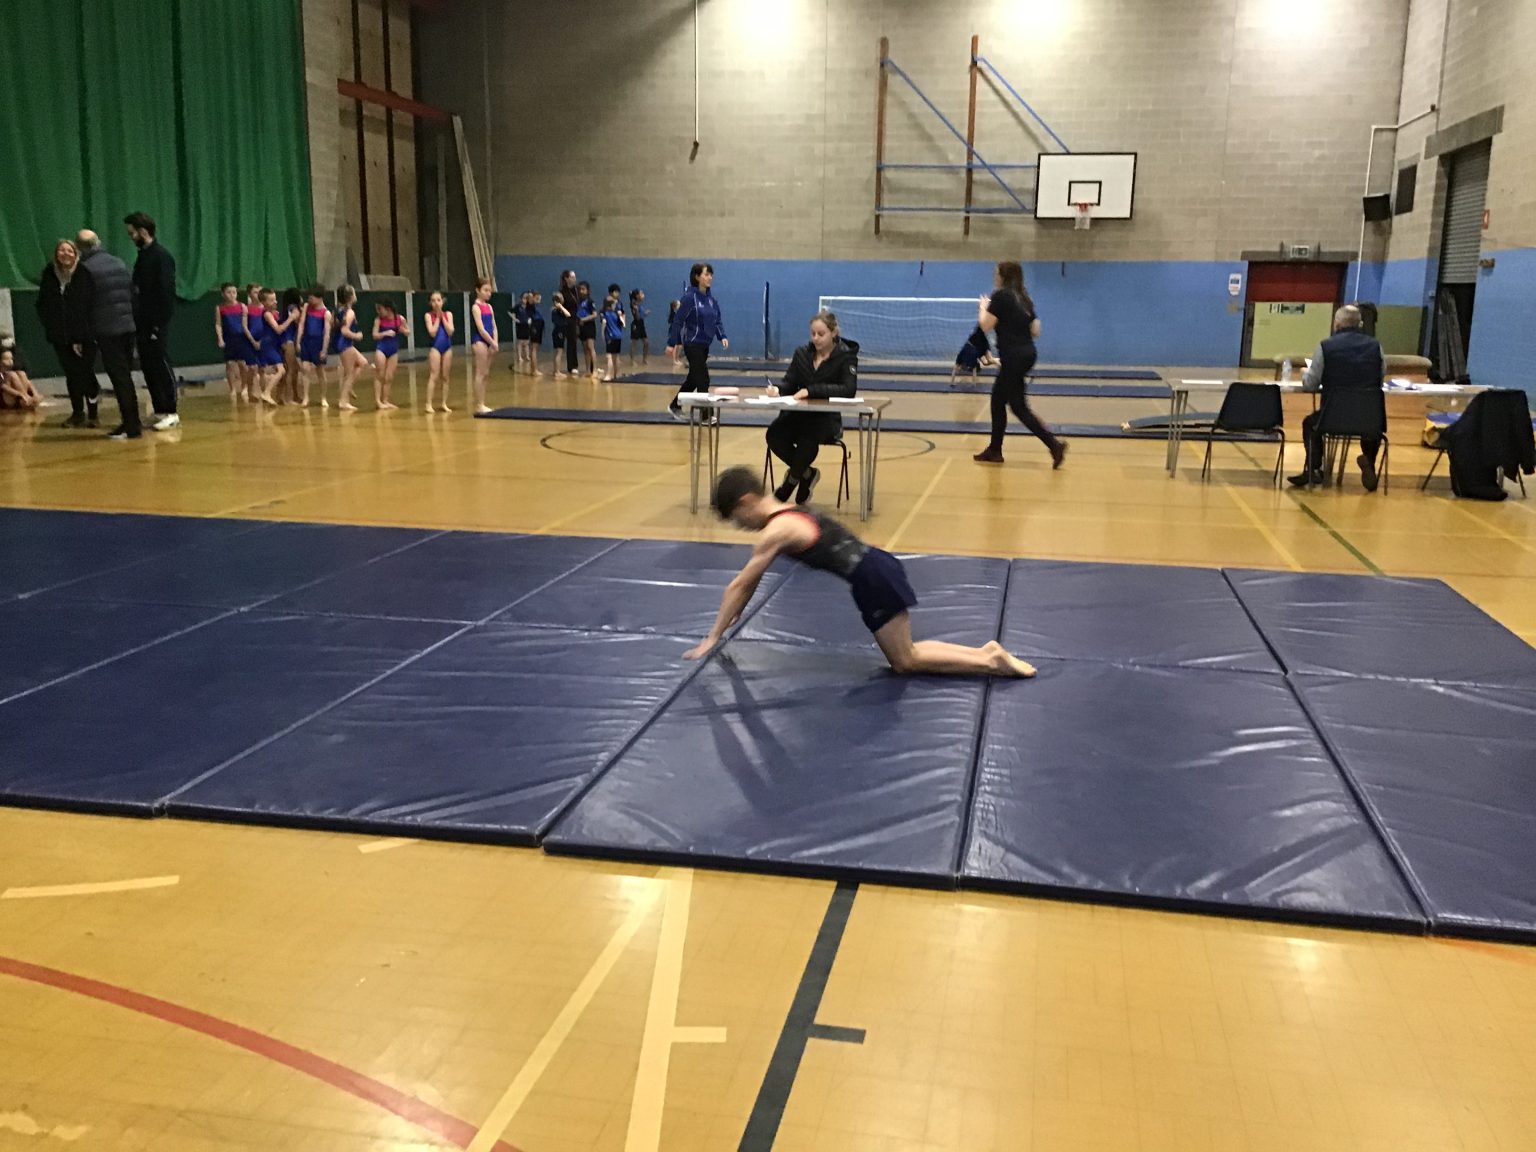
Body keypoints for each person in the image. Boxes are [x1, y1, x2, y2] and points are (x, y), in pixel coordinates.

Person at [690, 466, 1036, 677]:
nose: (741, 527)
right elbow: (749, 584)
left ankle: (991, 663)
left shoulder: (776, 531)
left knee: (906, 661)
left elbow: (740, 585)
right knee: (906, 654)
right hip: (875, 566)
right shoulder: (791, 509)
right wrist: (734, 613)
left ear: (746, 502)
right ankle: (985, 653)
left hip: (872, 578)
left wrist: (713, 636)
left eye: (737, 520)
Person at [972, 260, 1065, 469]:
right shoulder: (1024, 298)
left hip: (1013, 357)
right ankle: (995, 449)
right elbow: (1036, 330)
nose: (994, 277)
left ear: (1003, 276)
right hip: (1027, 354)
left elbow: (985, 325)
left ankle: (1054, 445)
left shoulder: (1001, 296)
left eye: (996, 274)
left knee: (1016, 407)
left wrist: (983, 308)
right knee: (1002, 401)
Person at [1289, 304, 1389, 491]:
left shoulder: (1325, 347)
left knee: (1310, 424)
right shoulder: (1376, 347)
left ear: (1337, 324)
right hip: (1369, 417)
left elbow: (1310, 385)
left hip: (1332, 417)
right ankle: (1369, 461)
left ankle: (1314, 469)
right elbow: (1380, 377)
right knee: (1370, 427)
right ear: (1359, 324)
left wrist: (1306, 374)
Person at [765, 310, 858, 505]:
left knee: (808, 437)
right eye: (813, 334)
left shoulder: (846, 357)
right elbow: (789, 383)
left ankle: (790, 483)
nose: (816, 338)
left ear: (833, 333)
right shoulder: (802, 353)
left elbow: (848, 389)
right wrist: (777, 389)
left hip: (826, 421)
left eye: (821, 334)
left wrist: (811, 390)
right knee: (774, 434)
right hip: (798, 416)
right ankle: (807, 474)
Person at [70, 229, 140, 440]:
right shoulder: (118, 262)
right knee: (125, 377)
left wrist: (79, 337)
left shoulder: (84, 269)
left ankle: (131, 427)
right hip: (128, 327)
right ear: (98, 242)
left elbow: (80, 306)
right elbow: (132, 293)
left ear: (79, 248)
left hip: (107, 330)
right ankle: (131, 423)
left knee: (120, 378)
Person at [125, 212, 179, 430]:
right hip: (142, 322)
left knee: (160, 364)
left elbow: (166, 293)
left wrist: (158, 324)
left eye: (132, 233)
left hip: (156, 322)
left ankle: (171, 411)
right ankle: (160, 410)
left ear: (143, 232)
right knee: (148, 366)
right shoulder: (143, 256)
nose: (131, 237)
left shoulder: (161, 256)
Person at [37, 239, 98, 427]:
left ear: (76, 254)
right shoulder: (49, 274)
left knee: (86, 374)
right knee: (71, 375)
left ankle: (93, 414)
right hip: (60, 336)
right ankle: (77, 413)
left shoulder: (84, 274)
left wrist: (79, 337)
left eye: (69, 251)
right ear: (56, 254)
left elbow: (87, 306)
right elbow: (43, 303)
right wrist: (50, 324)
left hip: (84, 336)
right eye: (61, 250)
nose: (65, 254)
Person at [666, 263, 728, 420]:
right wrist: (671, 343)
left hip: (704, 346)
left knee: (694, 378)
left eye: (711, 275)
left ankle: (675, 405)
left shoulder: (711, 300)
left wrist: (722, 336)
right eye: (706, 274)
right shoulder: (689, 298)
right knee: (703, 378)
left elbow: (717, 320)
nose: (710, 278)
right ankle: (706, 415)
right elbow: (678, 321)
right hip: (692, 345)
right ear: (697, 277)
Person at [331, 285, 369, 412]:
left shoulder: (337, 310)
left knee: (363, 362)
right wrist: (356, 336)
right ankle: (343, 401)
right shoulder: (350, 312)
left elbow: (333, 325)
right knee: (349, 374)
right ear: (351, 297)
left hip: (340, 342)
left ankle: (348, 388)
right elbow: (344, 330)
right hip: (345, 344)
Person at [296, 285, 332, 407]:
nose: (309, 300)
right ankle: (306, 397)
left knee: (320, 371)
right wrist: (298, 341)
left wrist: (324, 349)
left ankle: (323, 397)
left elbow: (326, 333)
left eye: (312, 298)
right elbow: (301, 324)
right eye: (309, 298)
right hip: (306, 341)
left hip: (318, 343)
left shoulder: (326, 313)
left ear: (320, 298)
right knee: (305, 368)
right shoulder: (307, 307)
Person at [469, 277, 498, 413]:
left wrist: (495, 341)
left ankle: (483, 402)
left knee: (486, 373)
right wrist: (492, 342)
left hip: (490, 340)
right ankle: (479, 404)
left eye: (490, 291)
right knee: (480, 373)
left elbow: (493, 325)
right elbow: (481, 329)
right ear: (478, 290)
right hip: (480, 340)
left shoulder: (489, 306)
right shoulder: (476, 307)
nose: (488, 293)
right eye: (485, 290)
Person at [215, 282, 248, 399]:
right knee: (229, 364)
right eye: (229, 292)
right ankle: (232, 388)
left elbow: (245, 325)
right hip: (229, 338)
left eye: (234, 292)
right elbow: (218, 324)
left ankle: (244, 387)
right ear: (223, 294)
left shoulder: (242, 307)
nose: (232, 295)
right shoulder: (220, 308)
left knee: (243, 364)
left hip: (241, 338)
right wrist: (220, 338)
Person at [425, 290, 456, 412]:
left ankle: (444, 403)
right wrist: (437, 318)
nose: (436, 303)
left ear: (442, 301)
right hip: (435, 347)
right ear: (430, 303)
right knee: (434, 375)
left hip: (447, 347)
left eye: (438, 300)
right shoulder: (428, 315)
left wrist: (442, 317)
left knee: (445, 376)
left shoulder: (448, 314)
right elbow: (432, 332)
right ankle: (428, 403)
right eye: (433, 301)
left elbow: (450, 331)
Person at [372, 301, 402, 409]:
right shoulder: (378, 320)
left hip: (393, 350)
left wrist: (404, 330)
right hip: (382, 349)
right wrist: (385, 333)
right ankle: (378, 401)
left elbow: (407, 330)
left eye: (380, 309)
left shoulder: (399, 319)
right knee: (379, 374)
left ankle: (385, 400)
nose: (378, 312)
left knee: (389, 377)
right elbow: (374, 335)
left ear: (388, 309)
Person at [0, 341, 46, 410]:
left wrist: (35, 393)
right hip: (5, 398)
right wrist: (20, 394)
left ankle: (26, 399)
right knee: (11, 374)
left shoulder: (12, 370)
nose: (10, 361)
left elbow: (28, 382)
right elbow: (3, 386)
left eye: (11, 359)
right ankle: (25, 398)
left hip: (17, 397)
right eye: (6, 359)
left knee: (22, 373)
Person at [558, 270, 580, 377]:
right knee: (571, 342)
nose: (574, 279)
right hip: (568, 320)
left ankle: (579, 365)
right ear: (566, 279)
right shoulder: (562, 292)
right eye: (572, 277)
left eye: (575, 277)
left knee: (577, 342)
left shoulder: (577, 290)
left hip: (578, 318)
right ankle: (571, 366)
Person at [599, 291, 624, 381]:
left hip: (610, 336)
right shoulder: (616, 314)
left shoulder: (605, 314)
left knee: (609, 356)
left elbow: (604, 323)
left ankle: (608, 375)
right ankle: (617, 374)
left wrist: (602, 334)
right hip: (618, 336)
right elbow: (623, 324)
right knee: (616, 356)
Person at [575, 281, 598, 378]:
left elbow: (594, 315)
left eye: (583, 289)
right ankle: (588, 370)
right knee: (585, 349)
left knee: (590, 347)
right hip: (581, 326)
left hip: (589, 326)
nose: (581, 291)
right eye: (580, 289)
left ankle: (595, 369)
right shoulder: (578, 302)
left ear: (587, 290)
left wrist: (584, 319)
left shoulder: (590, 301)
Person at [551, 281, 572, 379]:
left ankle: (555, 370)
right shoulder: (558, 309)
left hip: (558, 330)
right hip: (559, 331)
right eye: (562, 298)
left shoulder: (554, 309)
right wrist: (561, 307)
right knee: (559, 352)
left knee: (557, 352)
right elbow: (568, 314)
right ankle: (557, 372)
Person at [629, 288, 649, 365]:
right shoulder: (634, 305)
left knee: (646, 343)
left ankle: (644, 359)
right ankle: (632, 360)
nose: (643, 295)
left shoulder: (639, 304)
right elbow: (637, 317)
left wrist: (644, 314)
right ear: (637, 296)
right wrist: (640, 312)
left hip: (641, 324)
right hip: (636, 325)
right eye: (641, 293)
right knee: (634, 343)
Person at [527, 291, 544, 377]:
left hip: (538, 326)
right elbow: (530, 299)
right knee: (534, 347)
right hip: (535, 326)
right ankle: (534, 370)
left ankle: (533, 369)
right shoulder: (531, 305)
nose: (538, 300)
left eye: (539, 298)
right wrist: (531, 296)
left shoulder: (535, 306)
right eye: (537, 298)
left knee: (535, 348)